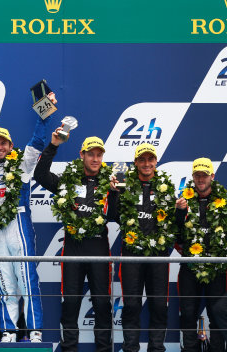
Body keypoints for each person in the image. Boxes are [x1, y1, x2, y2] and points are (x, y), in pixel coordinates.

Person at [33, 134, 113, 352]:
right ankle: (69, 349)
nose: (95, 159)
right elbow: (39, 175)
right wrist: (53, 145)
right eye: (91, 155)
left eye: (99, 155)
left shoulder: (110, 183)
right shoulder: (68, 181)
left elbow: (117, 215)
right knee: (70, 304)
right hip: (73, 248)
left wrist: (115, 195)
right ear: (82, 155)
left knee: (103, 305)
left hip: (98, 248)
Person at [0, 120, 52, 343]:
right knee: (5, 283)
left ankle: (35, 331)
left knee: (27, 281)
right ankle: (8, 331)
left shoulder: (21, 164)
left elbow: (37, 142)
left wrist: (44, 116)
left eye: (3, 143)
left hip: (18, 225)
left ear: (11, 145)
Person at [111, 143, 176, 352]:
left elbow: (175, 223)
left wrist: (181, 212)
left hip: (158, 256)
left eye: (150, 159)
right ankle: (130, 348)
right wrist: (113, 194)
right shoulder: (124, 185)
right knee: (131, 305)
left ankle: (157, 349)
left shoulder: (166, 187)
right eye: (142, 160)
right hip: (131, 255)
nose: (147, 164)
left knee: (158, 305)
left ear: (156, 161)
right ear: (136, 162)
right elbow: (112, 216)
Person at [175, 158, 227, 351]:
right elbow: (177, 237)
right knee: (188, 313)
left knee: (217, 314)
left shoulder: (224, 202)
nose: (200, 179)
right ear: (193, 177)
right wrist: (180, 214)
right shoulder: (183, 201)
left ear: (212, 176)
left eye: (204, 175)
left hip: (217, 267)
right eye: (197, 175)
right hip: (190, 267)